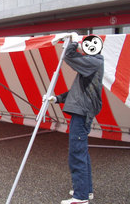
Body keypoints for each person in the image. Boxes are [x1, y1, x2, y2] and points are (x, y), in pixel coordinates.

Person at [47, 35, 104, 204]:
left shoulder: (94, 62)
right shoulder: (91, 65)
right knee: (82, 152)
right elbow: (77, 92)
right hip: (81, 111)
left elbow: (68, 56)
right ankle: (86, 190)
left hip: (82, 113)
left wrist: (74, 42)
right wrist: (56, 99)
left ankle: (80, 197)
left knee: (77, 153)